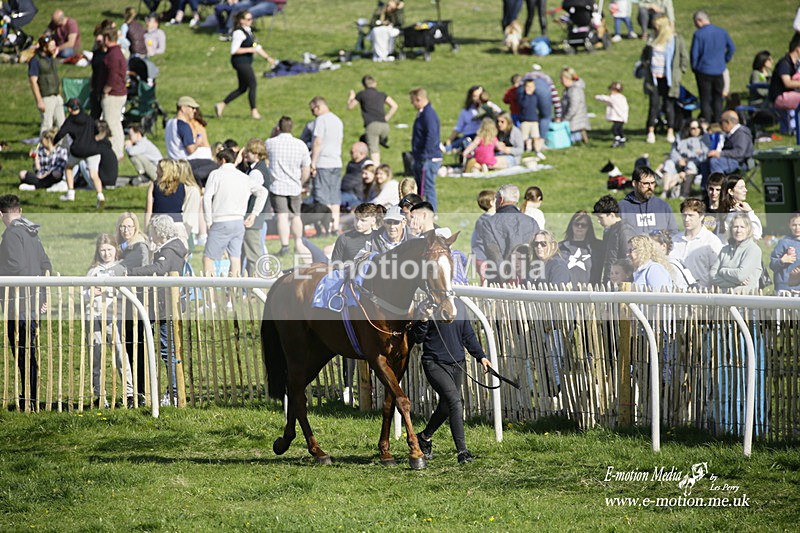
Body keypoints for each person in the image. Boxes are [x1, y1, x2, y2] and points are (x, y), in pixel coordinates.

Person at [412, 291, 492, 465]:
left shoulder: (459, 306)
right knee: (455, 401)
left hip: (458, 363)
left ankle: (424, 437)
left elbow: (468, 334)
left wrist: (481, 356)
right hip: (434, 364)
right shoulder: (425, 307)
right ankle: (462, 451)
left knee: (447, 405)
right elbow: (417, 338)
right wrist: (423, 320)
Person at [127, 215, 189, 406]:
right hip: (166, 306)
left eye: (153, 231)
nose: (151, 234)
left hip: (164, 308)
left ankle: (174, 393)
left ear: (159, 232)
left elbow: (160, 268)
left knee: (167, 351)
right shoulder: (174, 248)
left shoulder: (168, 251)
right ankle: (173, 391)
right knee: (168, 350)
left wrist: (134, 272)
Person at [0, 194, 52, 411]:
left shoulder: (12, 234)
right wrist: (42, 295)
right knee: (28, 350)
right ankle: (30, 394)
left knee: (22, 350)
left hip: (17, 302)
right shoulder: (32, 233)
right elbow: (45, 263)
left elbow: (16, 266)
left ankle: (28, 396)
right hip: (32, 300)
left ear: (1, 215)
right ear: (19, 211)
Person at [84, 233, 133, 408]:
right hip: (94, 317)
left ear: (115, 250)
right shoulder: (93, 271)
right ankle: (99, 394)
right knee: (96, 356)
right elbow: (84, 293)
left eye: (109, 249)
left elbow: (126, 291)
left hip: (113, 317)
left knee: (120, 354)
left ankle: (129, 392)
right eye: (103, 250)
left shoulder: (120, 269)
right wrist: (91, 293)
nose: (106, 254)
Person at [203, 148, 268, 276]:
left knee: (208, 258)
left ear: (222, 160)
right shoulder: (243, 177)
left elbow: (206, 197)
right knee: (235, 258)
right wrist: (254, 214)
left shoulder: (216, 174)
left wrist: (208, 220)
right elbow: (263, 192)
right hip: (238, 221)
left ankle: (209, 291)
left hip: (221, 220)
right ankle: (234, 292)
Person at [54, 98, 117, 208]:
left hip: (78, 150)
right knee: (94, 174)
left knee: (69, 168)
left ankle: (70, 193)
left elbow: (61, 134)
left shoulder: (70, 120)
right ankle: (100, 196)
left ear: (69, 109)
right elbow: (96, 131)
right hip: (93, 150)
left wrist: (53, 142)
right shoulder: (88, 118)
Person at [214, 11, 275, 121]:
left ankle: (221, 105)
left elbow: (257, 47)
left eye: (251, 19)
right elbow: (234, 50)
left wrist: (268, 58)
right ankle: (254, 111)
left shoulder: (248, 31)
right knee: (253, 84)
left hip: (245, 62)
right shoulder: (239, 33)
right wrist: (250, 49)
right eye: (248, 19)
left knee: (242, 88)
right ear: (241, 20)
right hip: (240, 62)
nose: (250, 21)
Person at [640, 14, 689, 145]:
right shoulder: (652, 39)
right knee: (654, 106)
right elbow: (644, 56)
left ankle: (670, 131)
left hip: (669, 79)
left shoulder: (675, 40)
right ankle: (650, 131)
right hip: (654, 78)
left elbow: (684, 58)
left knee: (669, 106)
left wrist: (679, 73)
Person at [477, 184, 540, 284]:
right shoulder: (532, 222)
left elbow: (494, 255)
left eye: (496, 199)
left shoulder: (489, 223)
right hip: (529, 282)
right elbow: (536, 254)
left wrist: (507, 281)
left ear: (501, 200)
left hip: (499, 284)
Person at [690, 10, 735, 125]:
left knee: (705, 99)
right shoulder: (721, 32)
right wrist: (724, 60)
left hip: (704, 71)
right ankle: (718, 122)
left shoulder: (699, 34)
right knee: (718, 98)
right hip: (719, 70)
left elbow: (694, 54)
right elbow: (731, 48)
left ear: (699, 21)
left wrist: (695, 67)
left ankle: (707, 122)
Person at [309, 96, 344, 233]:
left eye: (313, 110)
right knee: (335, 197)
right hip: (336, 161)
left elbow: (317, 142)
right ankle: (335, 226)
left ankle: (326, 227)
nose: (312, 113)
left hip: (323, 162)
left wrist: (313, 162)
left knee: (323, 197)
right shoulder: (337, 120)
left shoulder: (320, 120)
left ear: (318, 107)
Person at [669, 198, 723, 290]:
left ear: (701, 216)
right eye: (684, 215)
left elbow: (718, 272)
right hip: (676, 295)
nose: (686, 219)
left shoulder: (712, 241)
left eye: (691, 215)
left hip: (702, 295)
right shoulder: (674, 240)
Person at [165, 96, 217, 186]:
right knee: (215, 166)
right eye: (192, 108)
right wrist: (198, 142)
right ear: (183, 108)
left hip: (173, 160)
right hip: (185, 163)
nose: (194, 111)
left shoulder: (169, 123)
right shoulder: (183, 126)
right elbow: (191, 149)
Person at [347, 76, 399, 165]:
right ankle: (383, 140)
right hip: (385, 126)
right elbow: (394, 106)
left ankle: (376, 170)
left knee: (374, 151)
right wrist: (386, 118)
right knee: (373, 142)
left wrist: (351, 97)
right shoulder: (382, 94)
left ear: (364, 85)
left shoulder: (362, 94)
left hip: (372, 125)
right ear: (375, 83)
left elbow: (350, 107)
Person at [711, 213, 762, 293]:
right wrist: (732, 283)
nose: (738, 230)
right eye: (735, 227)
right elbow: (712, 275)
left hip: (745, 300)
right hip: (723, 299)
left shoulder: (753, 250)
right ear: (731, 229)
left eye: (742, 227)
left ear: (748, 229)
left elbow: (740, 276)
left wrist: (722, 271)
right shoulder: (725, 250)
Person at [409, 87, 442, 212]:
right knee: (420, 187)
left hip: (428, 158)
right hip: (422, 157)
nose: (412, 104)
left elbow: (432, 135)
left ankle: (432, 213)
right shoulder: (423, 113)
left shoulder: (429, 115)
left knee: (427, 187)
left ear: (419, 99)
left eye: (413, 101)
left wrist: (425, 154)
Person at [618, 166, 678, 234]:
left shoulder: (664, 206)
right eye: (646, 183)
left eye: (653, 183)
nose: (650, 187)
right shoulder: (622, 208)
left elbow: (674, 233)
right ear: (634, 183)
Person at [593, 194, 637, 284]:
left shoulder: (625, 231)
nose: (598, 221)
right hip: (612, 280)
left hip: (621, 283)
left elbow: (628, 260)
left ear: (612, 215)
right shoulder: (610, 231)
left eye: (601, 218)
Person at [658, 120, 708, 199]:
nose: (696, 130)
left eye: (698, 127)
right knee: (669, 163)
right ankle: (665, 190)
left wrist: (687, 160)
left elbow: (704, 154)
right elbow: (673, 152)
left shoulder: (704, 138)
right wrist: (678, 160)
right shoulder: (680, 137)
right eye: (693, 128)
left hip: (695, 163)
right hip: (679, 161)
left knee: (690, 166)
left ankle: (681, 190)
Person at [99, 26, 127, 160]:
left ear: (107, 38)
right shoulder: (117, 52)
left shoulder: (113, 55)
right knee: (116, 123)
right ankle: (119, 150)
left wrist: (106, 89)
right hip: (119, 92)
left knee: (111, 123)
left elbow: (113, 75)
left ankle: (115, 152)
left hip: (113, 94)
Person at [28, 35, 64, 136]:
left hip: (56, 96)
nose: (54, 48)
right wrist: (39, 100)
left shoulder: (51, 58)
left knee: (62, 125)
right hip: (46, 97)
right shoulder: (35, 61)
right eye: (51, 46)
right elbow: (33, 81)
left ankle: (63, 149)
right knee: (47, 125)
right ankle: (42, 149)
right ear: (44, 47)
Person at [559, 210, 601, 285]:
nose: (579, 227)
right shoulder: (561, 247)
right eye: (576, 224)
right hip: (566, 292)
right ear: (571, 225)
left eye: (583, 225)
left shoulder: (598, 247)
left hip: (591, 292)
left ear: (589, 227)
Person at [707, 110, 753, 176]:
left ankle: (719, 184)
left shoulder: (741, 133)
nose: (721, 125)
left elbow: (739, 152)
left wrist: (720, 154)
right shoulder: (731, 133)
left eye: (721, 122)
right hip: (731, 159)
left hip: (741, 162)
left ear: (727, 122)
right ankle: (706, 186)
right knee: (705, 163)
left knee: (715, 162)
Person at [719, 175, 763, 240]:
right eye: (741, 187)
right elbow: (757, 234)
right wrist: (750, 212)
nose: (746, 190)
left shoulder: (729, 210)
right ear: (731, 191)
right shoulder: (733, 214)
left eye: (745, 187)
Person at [445, 86, 485, 153]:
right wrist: (449, 140)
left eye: (479, 96)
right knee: (463, 141)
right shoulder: (466, 111)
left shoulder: (490, 107)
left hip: (482, 136)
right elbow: (458, 127)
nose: (478, 99)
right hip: (469, 135)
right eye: (475, 96)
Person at [770, 213, 800, 296]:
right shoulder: (784, 242)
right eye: (794, 225)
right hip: (784, 288)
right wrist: (782, 261)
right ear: (789, 225)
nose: (797, 228)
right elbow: (772, 265)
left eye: (799, 225)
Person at [769, 33, 800, 112]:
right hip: (780, 97)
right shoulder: (784, 63)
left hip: (790, 94)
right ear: (798, 49)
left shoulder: (795, 63)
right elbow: (787, 83)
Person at [560, 67, 590, 144]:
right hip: (574, 120)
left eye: (562, 79)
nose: (561, 81)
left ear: (568, 78)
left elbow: (573, 107)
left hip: (575, 121)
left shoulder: (574, 90)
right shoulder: (569, 89)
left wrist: (565, 118)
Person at [595, 81, 629, 148]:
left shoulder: (614, 97)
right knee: (620, 129)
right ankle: (622, 140)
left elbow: (605, 98)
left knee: (614, 129)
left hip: (617, 117)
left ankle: (617, 140)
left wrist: (597, 97)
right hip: (622, 117)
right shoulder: (622, 98)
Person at [340, 142, 371, 210]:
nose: (350, 153)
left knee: (334, 202)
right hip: (343, 191)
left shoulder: (367, 165)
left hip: (355, 195)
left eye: (352, 152)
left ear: (361, 153)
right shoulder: (351, 163)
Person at [517, 77, 541, 153]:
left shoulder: (535, 96)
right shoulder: (522, 97)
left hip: (534, 119)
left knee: (536, 136)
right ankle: (527, 149)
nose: (530, 88)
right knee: (525, 137)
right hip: (525, 120)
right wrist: (527, 95)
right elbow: (524, 105)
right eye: (528, 86)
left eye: (532, 86)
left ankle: (537, 150)